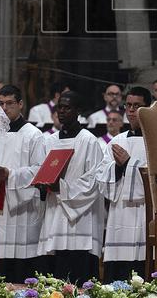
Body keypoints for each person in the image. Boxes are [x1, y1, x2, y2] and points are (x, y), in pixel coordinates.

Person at [26, 91, 106, 284]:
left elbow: (94, 181)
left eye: (67, 108)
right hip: (54, 213)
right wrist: (42, 185)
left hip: (80, 220)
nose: (61, 111)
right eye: (59, 107)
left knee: (78, 275)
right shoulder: (50, 141)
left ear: (78, 111)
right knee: (54, 275)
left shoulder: (88, 140)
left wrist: (61, 187)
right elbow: (42, 171)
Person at [0, 85, 48, 282]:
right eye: (0, 104)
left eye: (9, 103)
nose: (4, 108)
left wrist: (10, 174)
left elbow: (40, 171)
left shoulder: (34, 134)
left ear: (20, 104)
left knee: (20, 265)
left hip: (22, 207)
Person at [97, 85, 152, 281]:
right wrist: (118, 168)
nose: (131, 110)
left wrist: (129, 163)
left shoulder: (156, 141)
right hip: (119, 216)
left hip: (145, 213)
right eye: (128, 105)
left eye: (136, 106)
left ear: (148, 108)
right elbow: (101, 177)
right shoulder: (116, 141)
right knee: (117, 276)